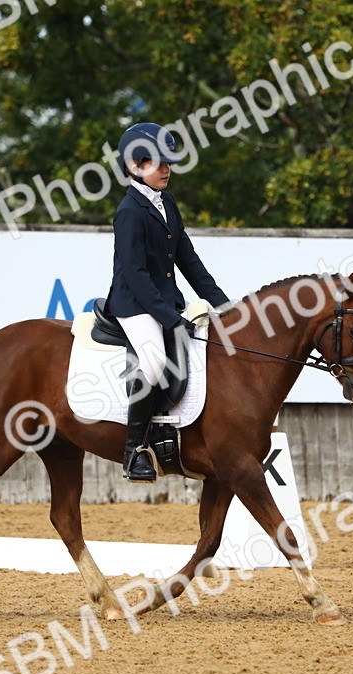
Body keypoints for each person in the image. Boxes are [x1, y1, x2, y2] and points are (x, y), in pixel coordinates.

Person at [105, 122, 231, 483]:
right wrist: (168, 317)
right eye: (157, 163)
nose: (166, 169)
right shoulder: (129, 211)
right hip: (134, 304)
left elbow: (188, 260)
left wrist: (223, 304)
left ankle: (167, 429)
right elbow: (134, 273)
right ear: (134, 166)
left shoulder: (166, 202)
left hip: (162, 302)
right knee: (156, 361)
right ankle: (134, 451)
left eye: (168, 162)